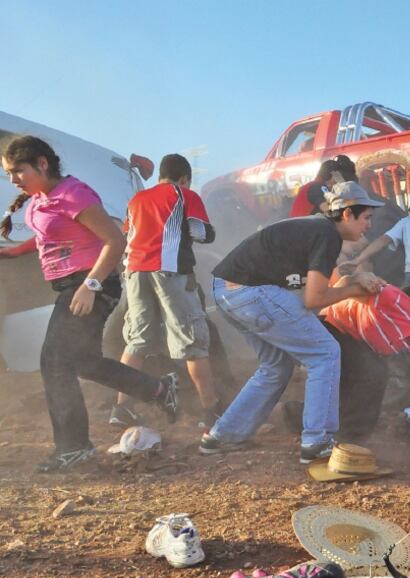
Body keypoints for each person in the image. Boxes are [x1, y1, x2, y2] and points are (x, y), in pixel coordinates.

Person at [1, 135, 178, 472]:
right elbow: (47, 235)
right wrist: (11, 253)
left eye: (17, 170)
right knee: (84, 361)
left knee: (55, 362)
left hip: (91, 285)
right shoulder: (41, 199)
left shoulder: (74, 194)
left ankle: (73, 447)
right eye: (8, 173)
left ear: (42, 164)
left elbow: (114, 241)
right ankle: (158, 389)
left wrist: (90, 286)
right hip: (74, 286)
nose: (12, 179)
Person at [202, 181, 386, 462]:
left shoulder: (315, 229)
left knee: (276, 366)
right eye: (367, 218)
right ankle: (316, 441)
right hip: (250, 292)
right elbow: (314, 299)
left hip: (226, 291)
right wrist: (355, 290)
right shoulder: (327, 234)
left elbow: (310, 292)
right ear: (348, 213)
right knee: (325, 352)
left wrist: (351, 280)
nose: (369, 226)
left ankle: (223, 435)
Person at [111, 154, 220, 428]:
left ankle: (121, 409)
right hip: (169, 270)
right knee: (192, 340)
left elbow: (128, 234)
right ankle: (211, 411)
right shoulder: (184, 194)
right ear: (184, 179)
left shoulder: (136, 200)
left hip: (134, 272)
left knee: (137, 340)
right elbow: (201, 233)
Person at [312, 283, 410, 440]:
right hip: (330, 328)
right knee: (373, 372)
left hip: (354, 345)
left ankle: (325, 426)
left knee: (368, 377)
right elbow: (349, 284)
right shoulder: (395, 300)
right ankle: (349, 439)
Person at [288, 156, 356, 217]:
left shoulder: (314, 186)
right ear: (329, 175)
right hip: (304, 226)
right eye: (338, 175)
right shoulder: (317, 188)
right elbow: (330, 211)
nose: (340, 180)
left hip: (305, 225)